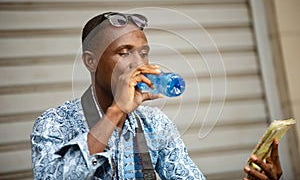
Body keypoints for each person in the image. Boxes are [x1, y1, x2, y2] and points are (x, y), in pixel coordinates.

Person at [31, 12, 282, 180]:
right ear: (91, 61)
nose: (137, 63)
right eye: (124, 52)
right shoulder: (54, 123)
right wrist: (116, 111)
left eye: (143, 53)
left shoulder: (156, 125)